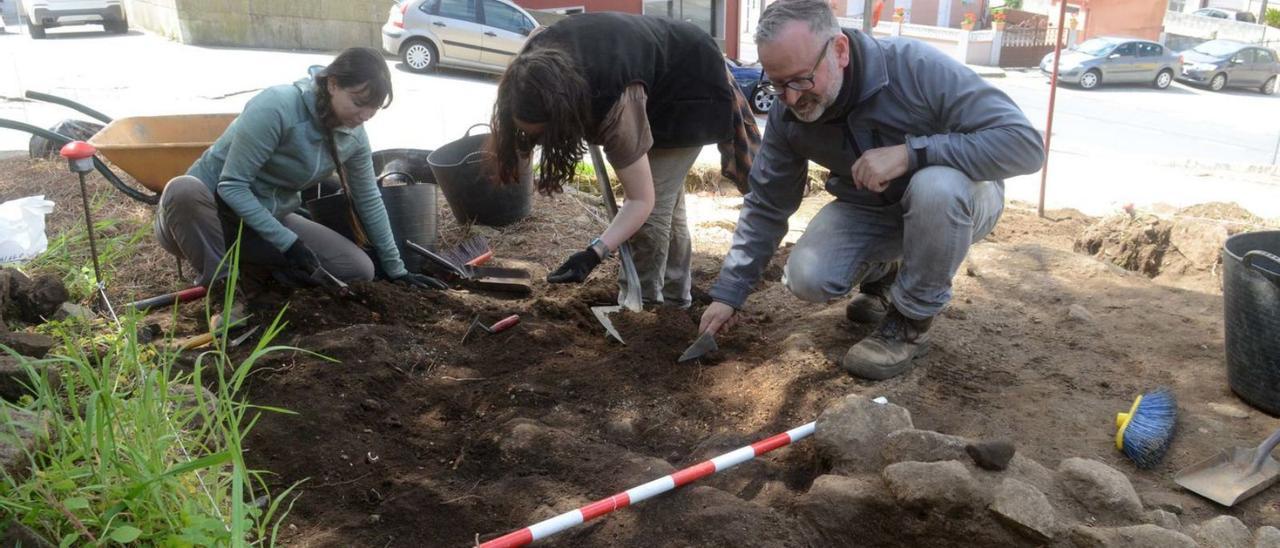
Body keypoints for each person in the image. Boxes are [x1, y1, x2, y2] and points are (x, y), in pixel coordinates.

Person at [698, 0, 1044, 380]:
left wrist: (913, 154)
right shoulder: (788, 112)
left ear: (840, 51)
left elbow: (1024, 146)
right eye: (778, 84)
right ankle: (888, 274)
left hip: (961, 200)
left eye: (800, 80)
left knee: (936, 186)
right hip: (872, 208)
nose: (792, 99)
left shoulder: (917, 69)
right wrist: (729, 293)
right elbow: (767, 203)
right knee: (807, 277)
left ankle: (909, 323)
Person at [490, 12, 748, 309]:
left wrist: (594, 254)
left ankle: (641, 306)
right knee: (667, 203)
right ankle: (677, 299)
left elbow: (641, 201)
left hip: (691, 87)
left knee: (653, 214)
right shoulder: (531, 66)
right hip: (651, 64)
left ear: (565, 118)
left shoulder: (615, 103)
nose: (541, 143)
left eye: (546, 135)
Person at [154, 47, 440, 310]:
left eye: (373, 109)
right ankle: (225, 291)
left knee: (357, 269)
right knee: (183, 189)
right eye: (358, 102)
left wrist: (397, 269)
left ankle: (257, 276)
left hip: (262, 222)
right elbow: (232, 186)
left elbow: (369, 199)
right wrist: (288, 243)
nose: (364, 115)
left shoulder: (354, 137)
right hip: (203, 220)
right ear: (332, 84)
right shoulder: (278, 106)